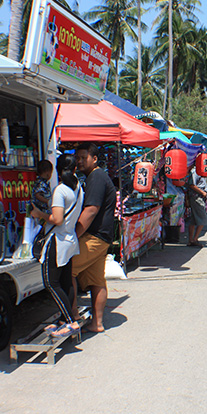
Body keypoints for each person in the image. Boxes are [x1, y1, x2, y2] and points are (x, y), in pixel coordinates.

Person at [31, 154, 84, 338]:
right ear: (75, 169)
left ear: (58, 171)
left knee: (51, 283)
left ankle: (70, 321)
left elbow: (57, 219)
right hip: (69, 240)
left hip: (57, 240)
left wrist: (39, 214)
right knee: (65, 281)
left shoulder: (60, 190)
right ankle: (65, 319)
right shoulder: (78, 188)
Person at [73, 143, 116, 333]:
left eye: (84, 157)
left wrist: (75, 235)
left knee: (67, 270)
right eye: (78, 158)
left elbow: (91, 210)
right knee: (97, 280)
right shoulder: (97, 176)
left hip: (94, 236)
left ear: (95, 158)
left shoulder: (96, 177)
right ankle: (97, 323)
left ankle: (72, 317)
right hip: (102, 236)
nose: (80, 161)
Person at [186, 166, 207, 246]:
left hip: (197, 197)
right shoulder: (195, 172)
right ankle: (195, 239)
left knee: (193, 219)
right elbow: (192, 185)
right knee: (202, 218)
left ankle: (191, 240)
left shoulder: (199, 171)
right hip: (197, 197)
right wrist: (202, 193)